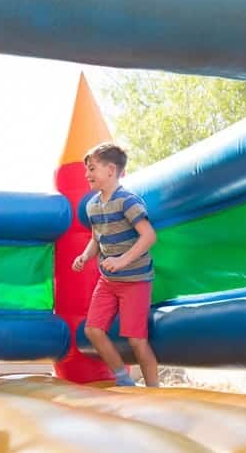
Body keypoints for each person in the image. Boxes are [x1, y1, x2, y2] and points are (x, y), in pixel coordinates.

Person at [72, 142, 159, 387]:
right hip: (108, 281)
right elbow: (96, 238)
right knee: (92, 330)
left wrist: (122, 260)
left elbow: (149, 236)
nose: (87, 174)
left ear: (111, 170)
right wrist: (85, 256)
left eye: (91, 169)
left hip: (135, 280)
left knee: (136, 340)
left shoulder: (127, 201)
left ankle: (154, 390)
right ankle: (122, 377)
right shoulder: (92, 205)